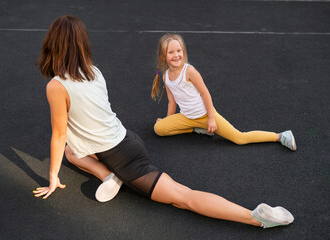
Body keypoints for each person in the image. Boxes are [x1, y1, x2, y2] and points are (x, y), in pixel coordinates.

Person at [33, 15, 294, 229]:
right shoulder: (94, 72)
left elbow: (58, 134)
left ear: (52, 44)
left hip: (124, 159)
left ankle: (253, 216)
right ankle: (109, 176)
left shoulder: (57, 86)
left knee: (183, 198)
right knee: (72, 152)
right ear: (81, 44)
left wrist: (53, 177)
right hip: (128, 140)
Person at [151, 34, 296, 151]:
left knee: (239, 138)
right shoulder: (166, 77)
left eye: (179, 51)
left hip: (205, 115)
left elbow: (205, 94)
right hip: (186, 117)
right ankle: (195, 128)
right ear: (163, 56)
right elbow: (172, 101)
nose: (176, 55)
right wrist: (168, 120)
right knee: (159, 129)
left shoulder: (189, 71)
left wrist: (211, 118)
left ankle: (280, 136)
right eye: (171, 52)